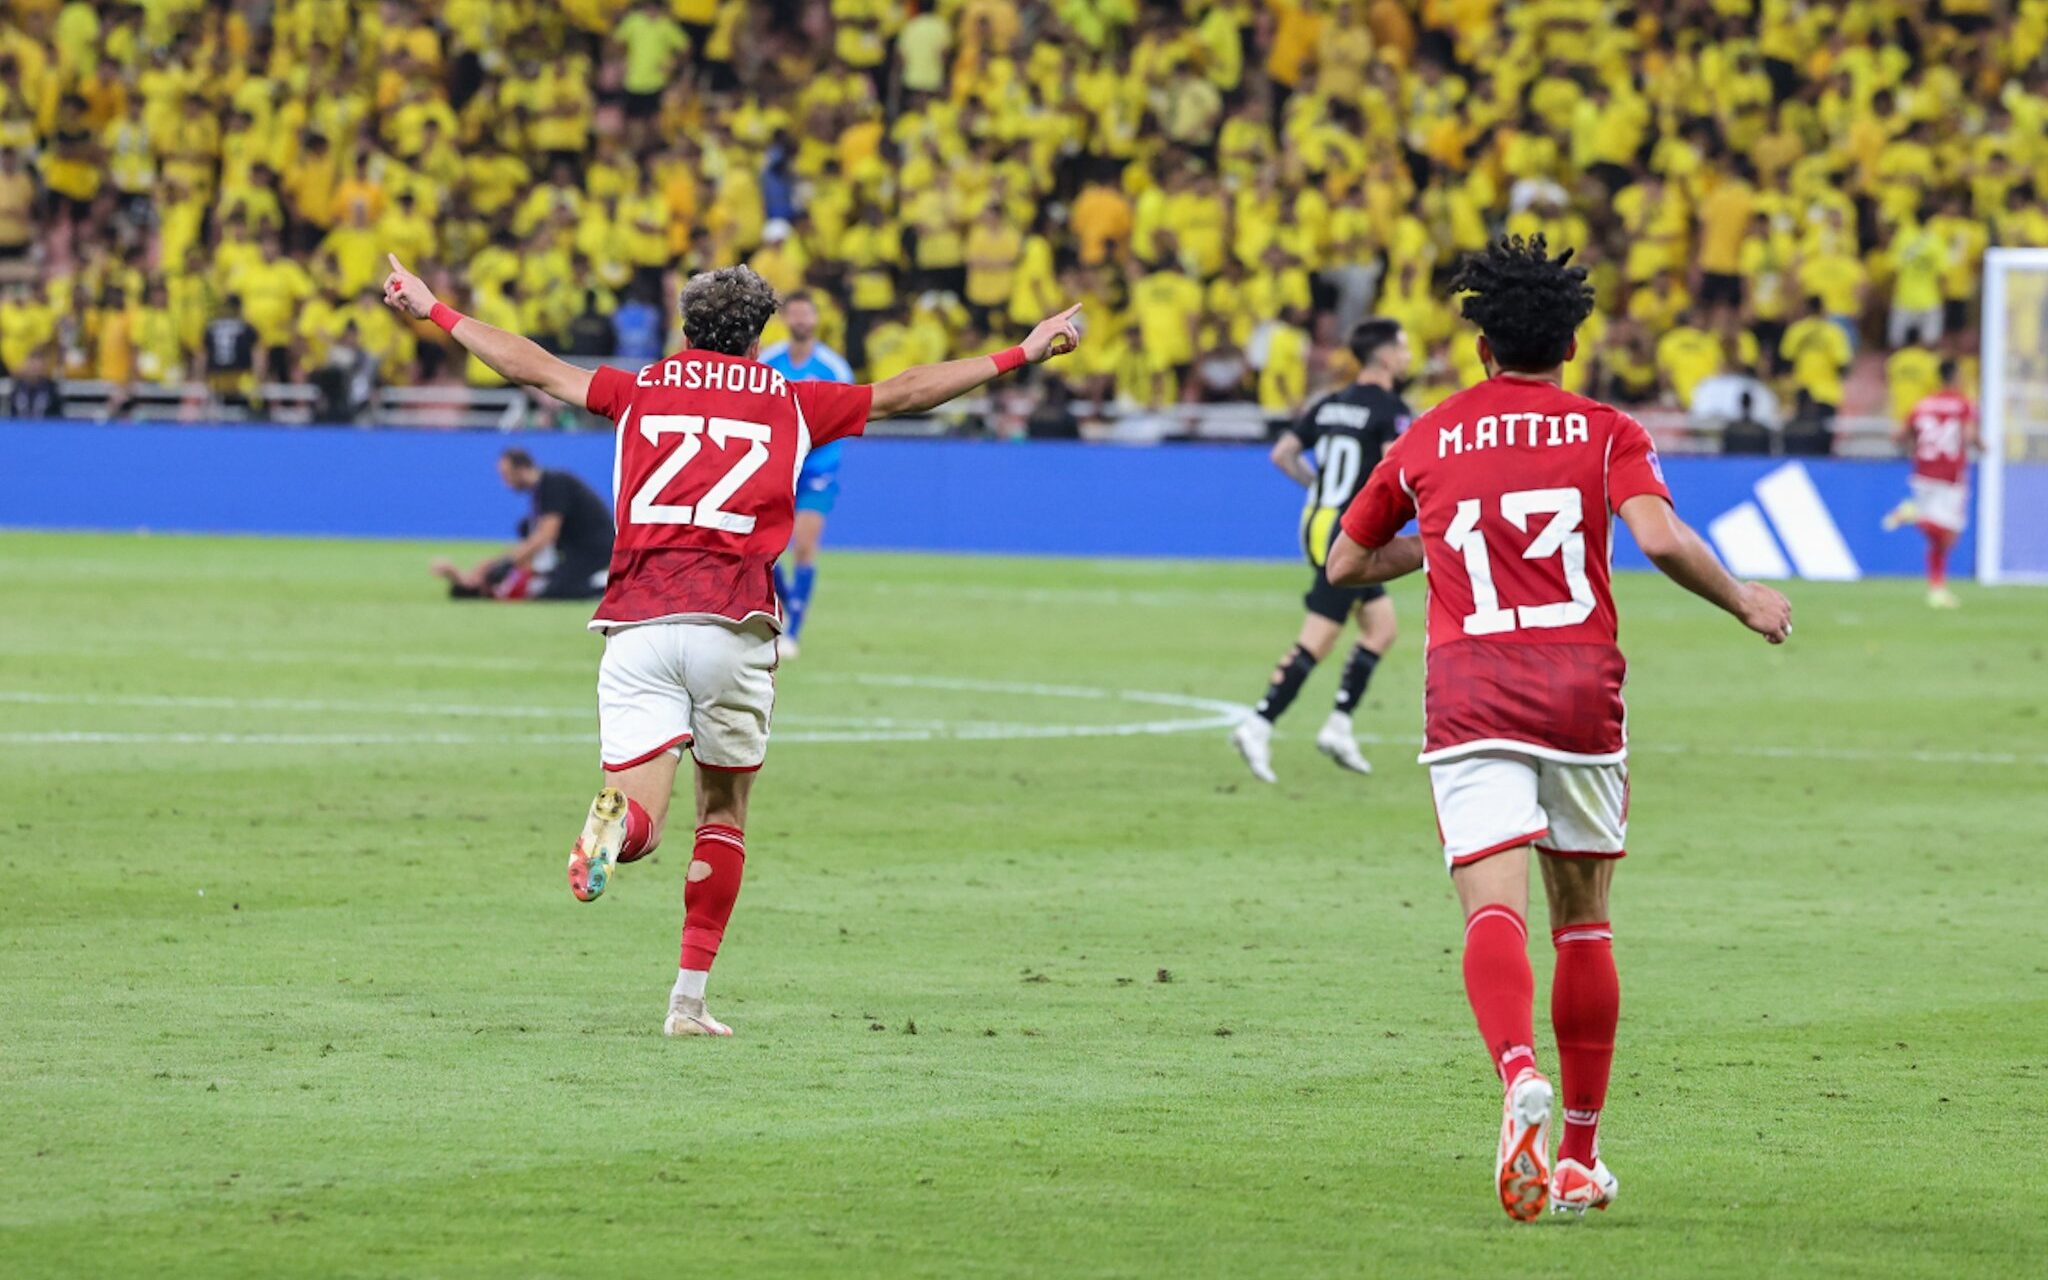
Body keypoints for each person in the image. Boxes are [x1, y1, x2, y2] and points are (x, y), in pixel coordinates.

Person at [382, 254, 1081, 1037]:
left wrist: (434, 310)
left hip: (637, 622)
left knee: (642, 818)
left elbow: (535, 367)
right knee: (724, 810)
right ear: (760, 336)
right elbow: (905, 392)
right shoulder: (791, 400)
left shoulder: (638, 389)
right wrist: (1022, 351)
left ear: (687, 326)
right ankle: (687, 1001)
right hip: (733, 622)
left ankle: (614, 828)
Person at [1325, 237, 1791, 1221]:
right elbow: (1658, 536)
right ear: (1570, 344)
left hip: (1470, 694)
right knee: (1583, 917)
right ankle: (1577, 1154)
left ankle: (1515, 1072)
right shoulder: (1605, 428)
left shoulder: (1427, 437)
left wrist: (1446, 539)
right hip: (1581, 693)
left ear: (1481, 344)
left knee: (1490, 907)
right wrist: (1743, 597)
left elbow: (1344, 564)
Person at [1230, 318, 1412, 783]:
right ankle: (1259, 723)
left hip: (1317, 522)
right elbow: (1397, 470)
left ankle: (1339, 724)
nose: (1409, 355)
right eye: (1404, 347)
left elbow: (1282, 454)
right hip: (1352, 535)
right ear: (1386, 356)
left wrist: (1321, 489)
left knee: (1381, 627)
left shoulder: (1330, 404)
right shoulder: (1390, 408)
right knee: (1320, 637)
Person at [756, 291, 855, 658]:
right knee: (770, 548)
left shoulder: (834, 367)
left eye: (806, 314)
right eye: (794, 313)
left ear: (815, 319)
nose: (800, 320)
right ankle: (783, 612)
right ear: (786, 319)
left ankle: (793, 629)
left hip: (817, 468)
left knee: (804, 546)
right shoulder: (768, 362)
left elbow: (846, 415)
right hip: (777, 467)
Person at [431, 447, 615, 601]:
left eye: (506, 475)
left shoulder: (553, 483)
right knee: (547, 581)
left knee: (556, 592)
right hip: (576, 549)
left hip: (595, 550)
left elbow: (546, 535)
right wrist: (498, 564)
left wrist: (507, 563)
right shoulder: (542, 490)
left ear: (521, 469)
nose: (506, 483)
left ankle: (607, 582)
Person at [1883, 360, 1978, 608]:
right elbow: (1968, 436)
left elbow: (1899, 436)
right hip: (1950, 475)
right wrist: (1983, 444)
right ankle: (1912, 514)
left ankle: (1936, 590)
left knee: (1939, 540)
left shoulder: (1922, 404)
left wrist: (1916, 448)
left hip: (1923, 472)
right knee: (1950, 534)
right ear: (1956, 376)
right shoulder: (1962, 404)